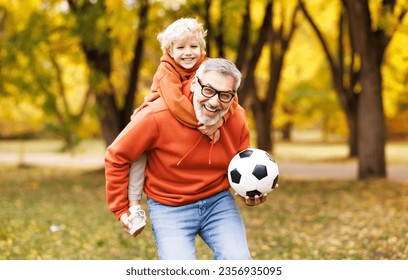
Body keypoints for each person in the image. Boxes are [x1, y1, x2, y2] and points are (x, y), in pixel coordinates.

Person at [105, 58, 267, 260]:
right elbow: (116, 155)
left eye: (225, 95)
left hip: (217, 202)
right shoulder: (157, 115)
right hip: (169, 206)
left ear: (234, 96)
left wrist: (247, 192)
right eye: (208, 90)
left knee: (239, 264)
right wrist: (121, 207)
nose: (215, 102)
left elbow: (241, 167)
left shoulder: (237, 118)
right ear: (193, 83)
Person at [124, 18, 239, 236]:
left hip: (189, 121)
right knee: (139, 157)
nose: (188, 53)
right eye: (181, 48)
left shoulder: (209, 67)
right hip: (158, 119)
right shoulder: (166, 70)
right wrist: (202, 123)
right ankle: (134, 207)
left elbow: (232, 97)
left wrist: (219, 121)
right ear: (169, 51)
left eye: (194, 46)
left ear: (202, 48)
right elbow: (176, 103)